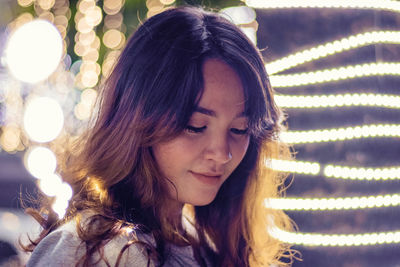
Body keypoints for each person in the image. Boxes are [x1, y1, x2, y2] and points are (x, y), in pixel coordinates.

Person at [23, 6, 295, 267]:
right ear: (139, 118)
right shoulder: (91, 251)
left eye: (240, 130)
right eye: (196, 126)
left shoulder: (205, 246)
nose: (222, 153)